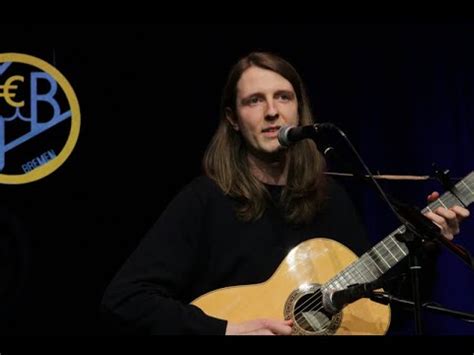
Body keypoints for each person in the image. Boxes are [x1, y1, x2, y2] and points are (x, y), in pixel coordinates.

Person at [101, 52, 470, 335]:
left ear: (299, 111)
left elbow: (378, 314)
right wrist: (226, 329)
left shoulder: (331, 199)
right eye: (255, 101)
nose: (272, 112)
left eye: (283, 97)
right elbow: (125, 299)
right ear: (233, 118)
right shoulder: (205, 200)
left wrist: (426, 244)